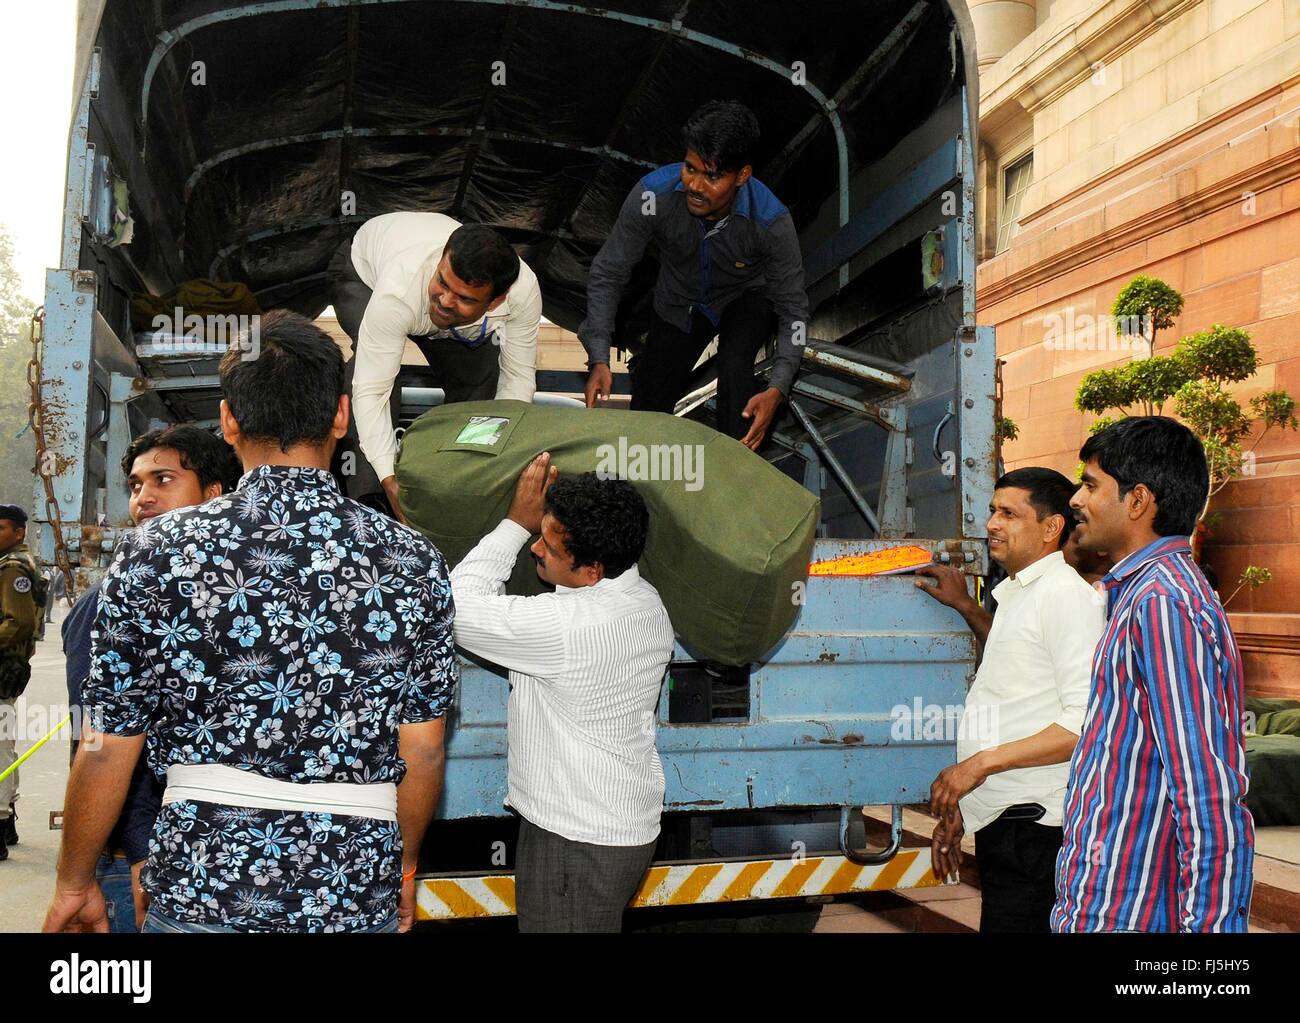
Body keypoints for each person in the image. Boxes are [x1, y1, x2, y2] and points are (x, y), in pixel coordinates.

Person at [44, 309, 459, 934]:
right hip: (350, 889)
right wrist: (402, 870)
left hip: (202, 884)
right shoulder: (413, 557)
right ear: (341, 416)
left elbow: (106, 748)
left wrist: (75, 881)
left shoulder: (156, 549)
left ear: (229, 420)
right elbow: (423, 749)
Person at [449, 456, 673, 932]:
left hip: (575, 839)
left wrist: (514, 522)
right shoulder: (646, 602)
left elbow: (455, 605)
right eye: (538, 534)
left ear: (592, 570)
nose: (535, 548)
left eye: (548, 545)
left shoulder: (565, 628)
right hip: (613, 827)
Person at [1053, 416, 1255, 932]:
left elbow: (1207, 794)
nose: (1076, 499)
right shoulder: (1139, 595)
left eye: (1091, 484)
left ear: (1138, 501)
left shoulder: (1161, 603)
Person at [62, 425, 242, 930]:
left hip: (208, 855)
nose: (143, 497)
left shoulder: (232, 597)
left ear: (214, 494)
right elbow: (102, 739)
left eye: (163, 480)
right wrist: (141, 851)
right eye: (137, 485)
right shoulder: (108, 601)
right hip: (135, 862)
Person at [917, 468, 1104, 932]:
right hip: (1010, 826)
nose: (993, 524)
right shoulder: (1022, 593)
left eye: (1009, 513)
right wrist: (963, 809)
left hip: (1039, 832)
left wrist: (975, 767)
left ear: (1050, 527)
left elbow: (1083, 724)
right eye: (992, 511)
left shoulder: (1065, 597)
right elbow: (1015, 700)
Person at [580, 100, 809, 451]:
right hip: (677, 301)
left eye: (712, 176)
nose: (695, 186)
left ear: (742, 176)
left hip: (745, 297)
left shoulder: (771, 222)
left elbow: (793, 312)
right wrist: (598, 356)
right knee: (648, 402)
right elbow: (609, 272)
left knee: (736, 368)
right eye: (690, 168)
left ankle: (735, 479)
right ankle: (637, 493)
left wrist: (778, 387)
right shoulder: (651, 196)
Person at [329, 212, 542, 518]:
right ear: (442, 260)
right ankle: (370, 502)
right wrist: (390, 481)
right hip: (362, 273)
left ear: (495, 301)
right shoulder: (399, 289)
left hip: (453, 324)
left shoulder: (523, 294)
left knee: (483, 381)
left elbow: (517, 382)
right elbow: (372, 391)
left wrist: (498, 461)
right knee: (374, 372)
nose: (444, 300)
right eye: (442, 282)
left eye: (464, 298)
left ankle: (461, 479)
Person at [0, 505, 40, 862]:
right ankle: (7, 819)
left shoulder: (12, 568)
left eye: (1, 529)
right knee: (4, 746)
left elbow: (19, 622)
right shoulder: (16, 563)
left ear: (18, 532)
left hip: (2, 667)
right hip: (8, 669)